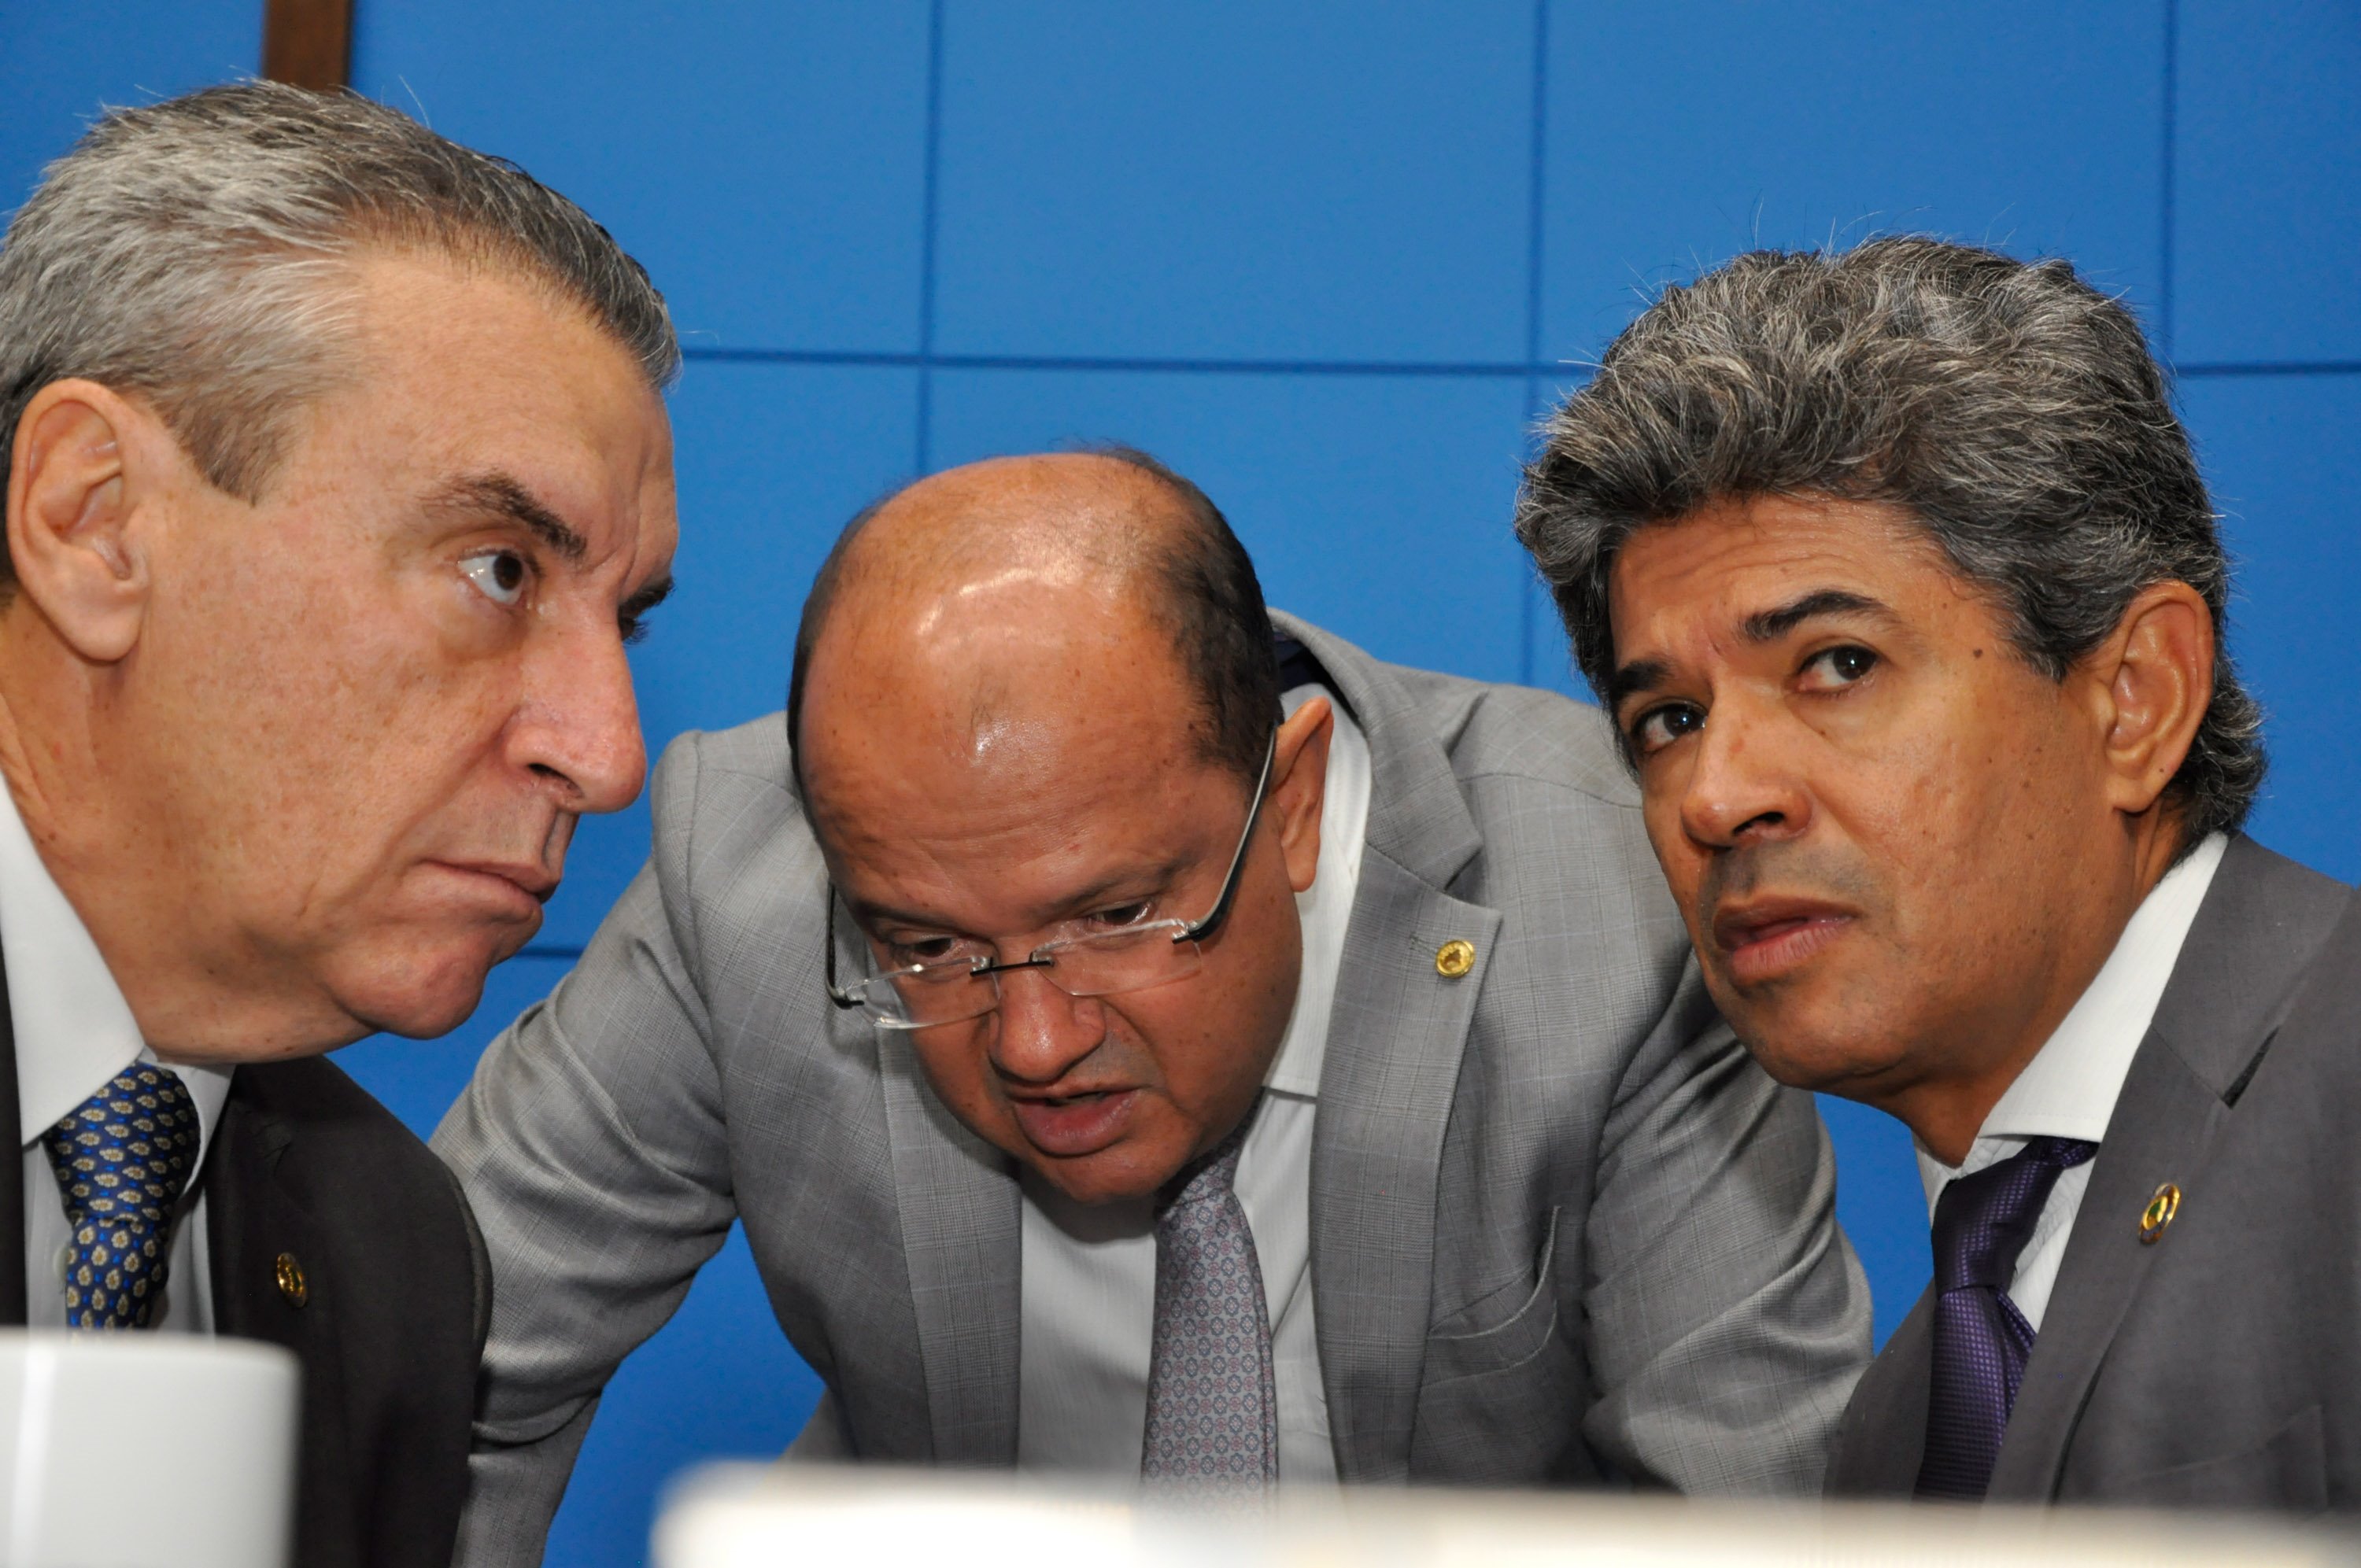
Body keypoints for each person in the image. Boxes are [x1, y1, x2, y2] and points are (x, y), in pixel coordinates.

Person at [438, 445, 1871, 1559]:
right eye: (927, 946)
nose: (1035, 1044)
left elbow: (1754, 1518)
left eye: (1120, 917)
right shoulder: (740, 878)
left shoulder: (1612, 898)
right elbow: (442, 1373)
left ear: (1290, 801)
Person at [1517, 236, 2360, 1509]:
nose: (1716, 794)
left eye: (1836, 664)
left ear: (2135, 697)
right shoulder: (1896, 1426)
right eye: (1669, 719)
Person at [0, 83, 678, 1565]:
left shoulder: (398, 1254)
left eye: (625, 619)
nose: (608, 755)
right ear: (93, 522)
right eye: (501, 570)